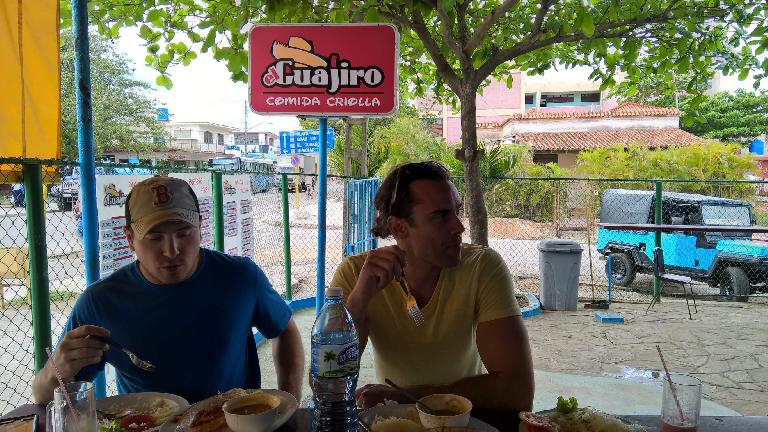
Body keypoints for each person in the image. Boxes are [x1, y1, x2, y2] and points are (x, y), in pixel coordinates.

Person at [32, 176, 304, 404]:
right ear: (129, 238)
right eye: (155, 237)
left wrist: (288, 402)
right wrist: (58, 369)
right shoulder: (101, 302)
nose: (172, 250)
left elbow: (284, 329)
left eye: (184, 233)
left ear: (200, 226)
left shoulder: (240, 277)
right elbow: (42, 396)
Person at [331, 161, 534, 413]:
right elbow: (328, 386)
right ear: (398, 227)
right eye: (441, 216)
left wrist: (405, 398)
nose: (459, 226)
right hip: (396, 424)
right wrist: (359, 301)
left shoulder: (481, 267)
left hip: (463, 419)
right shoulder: (356, 275)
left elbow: (517, 391)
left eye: (456, 212)